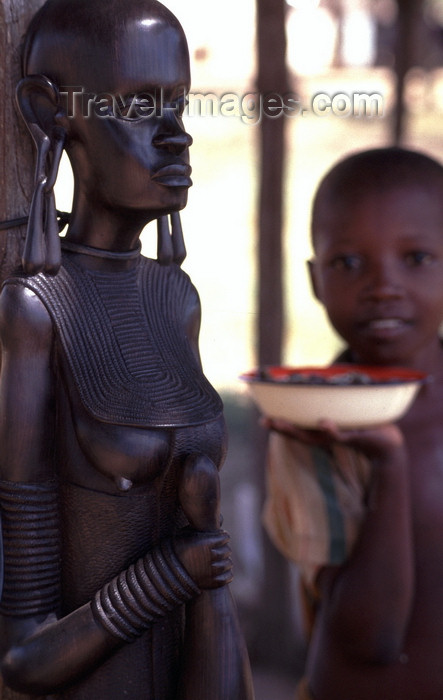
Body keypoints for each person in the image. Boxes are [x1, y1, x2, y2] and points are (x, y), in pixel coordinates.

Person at [0, 1, 253, 698]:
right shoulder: (35, 314)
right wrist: (178, 571)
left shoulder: (177, 300)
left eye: (179, 105)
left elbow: (210, 562)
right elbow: (23, 657)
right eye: (140, 108)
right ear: (52, 112)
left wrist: (203, 568)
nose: (177, 139)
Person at [262, 146, 443, 700]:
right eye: (348, 263)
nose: (383, 286)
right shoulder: (312, 430)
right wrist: (388, 467)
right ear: (316, 281)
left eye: (414, 258)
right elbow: (371, 639)